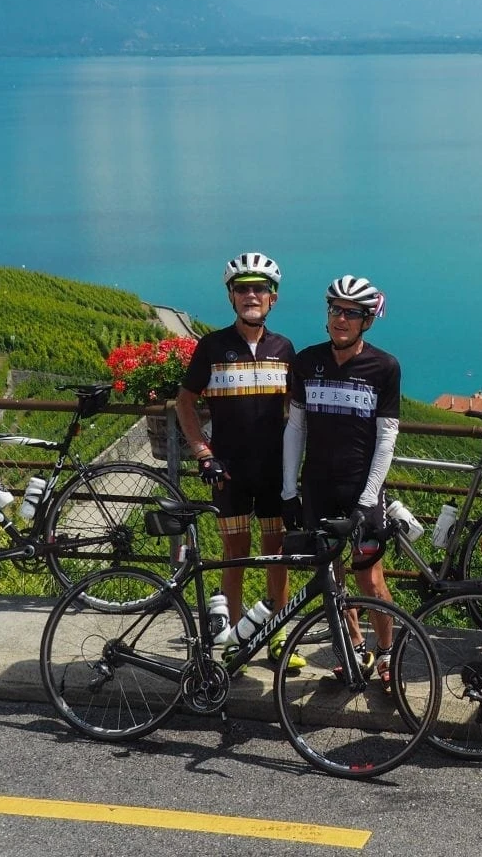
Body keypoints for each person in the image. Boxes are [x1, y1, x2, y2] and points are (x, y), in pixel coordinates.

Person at [176, 252, 302, 669]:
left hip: (273, 473)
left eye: (260, 288)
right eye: (243, 288)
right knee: (235, 556)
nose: (252, 295)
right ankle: (234, 637)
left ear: (273, 298)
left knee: (276, 555)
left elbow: (298, 413)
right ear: (231, 296)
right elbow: (185, 403)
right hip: (228, 472)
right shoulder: (212, 347)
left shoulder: (284, 349)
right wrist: (202, 452)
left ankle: (278, 633)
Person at [282, 275, 402, 688]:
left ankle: (387, 654)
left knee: (370, 578)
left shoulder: (384, 366)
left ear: (367, 321)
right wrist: (288, 490)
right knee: (331, 575)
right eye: (336, 310)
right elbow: (295, 428)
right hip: (317, 484)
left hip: (360, 486)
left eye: (352, 313)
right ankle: (353, 649)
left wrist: (369, 499)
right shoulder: (307, 361)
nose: (341, 319)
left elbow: (387, 437)